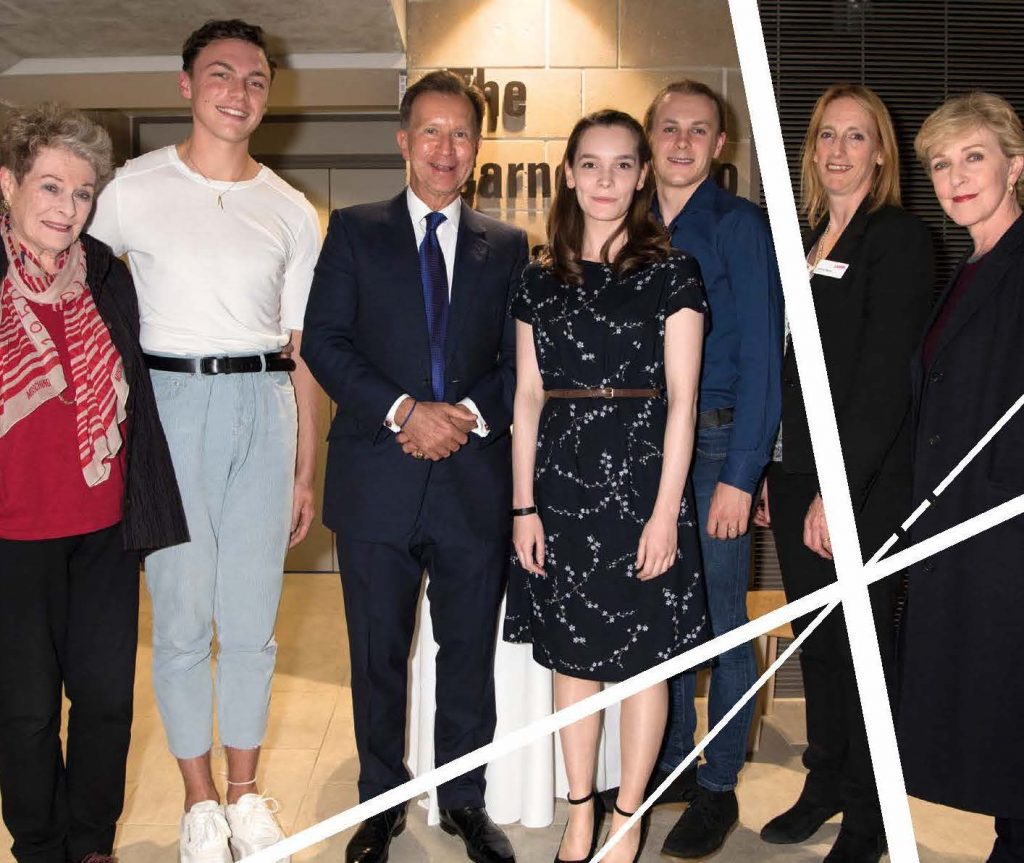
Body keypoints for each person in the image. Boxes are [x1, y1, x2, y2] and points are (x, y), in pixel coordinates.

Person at [89, 19, 321, 863]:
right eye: (221, 75)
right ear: (186, 85)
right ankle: (198, 801)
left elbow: (304, 355)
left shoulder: (292, 212)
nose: (239, 93)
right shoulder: (130, 190)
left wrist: (304, 469)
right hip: (166, 405)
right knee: (183, 616)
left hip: (263, 404)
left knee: (253, 619)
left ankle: (247, 791)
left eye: (256, 80)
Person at [301, 69, 528, 863]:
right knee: (377, 654)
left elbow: (517, 358)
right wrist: (404, 410)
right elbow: (324, 341)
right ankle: (382, 802)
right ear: (403, 141)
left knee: (468, 654)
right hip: (377, 481)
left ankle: (465, 800)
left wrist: (464, 416)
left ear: (477, 148)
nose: (446, 146)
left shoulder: (508, 246)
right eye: (430, 130)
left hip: (472, 481)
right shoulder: (355, 231)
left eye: (461, 133)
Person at [504, 108, 710, 863]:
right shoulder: (536, 277)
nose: (606, 180)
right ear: (568, 173)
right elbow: (526, 397)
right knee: (573, 660)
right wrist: (522, 504)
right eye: (590, 163)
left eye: (623, 164)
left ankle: (629, 816)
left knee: (644, 662)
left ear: (643, 174)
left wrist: (665, 513)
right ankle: (580, 811)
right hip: (558, 486)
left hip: (641, 486)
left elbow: (683, 400)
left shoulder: (672, 272)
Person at [0, 103, 188, 863]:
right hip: (12, 537)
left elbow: (131, 393)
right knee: (26, 712)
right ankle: (39, 846)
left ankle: (92, 844)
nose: (66, 209)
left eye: (81, 194)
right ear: (7, 185)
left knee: (107, 702)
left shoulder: (106, 274)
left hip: (103, 530)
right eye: (49, 188)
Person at [756, 84, 933, 863]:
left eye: (856, 138)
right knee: (818, 643)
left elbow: (882, 382)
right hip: (799, 476)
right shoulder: (811, 239)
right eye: (826, 135)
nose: (837, 151)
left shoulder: (897, 239)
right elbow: (794, 372)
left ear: (881, 154)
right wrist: (775, 467)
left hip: (859, 482)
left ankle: (869, 819)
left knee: (862, 651)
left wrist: (834, 489)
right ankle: (824, 781)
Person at [640, 80, 784, 859]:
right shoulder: (628, 224)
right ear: (651, 137)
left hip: (719, 447)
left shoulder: (739, 225)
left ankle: (719, 781)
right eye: (670, 128)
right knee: (662, 624)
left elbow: (765, 352)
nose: (684, 142)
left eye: (700, 130)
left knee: (723, 623)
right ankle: (670, 764)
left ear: (720, 145)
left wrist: (744, 471)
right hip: (644, 452)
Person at [898, 91, 1024, 863]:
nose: (955, 176)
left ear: (1017, 165)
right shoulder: (970, 267)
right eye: (941, 164)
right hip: (962, 526)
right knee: (994, 712)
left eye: (973, 156)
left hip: (1006, 524)